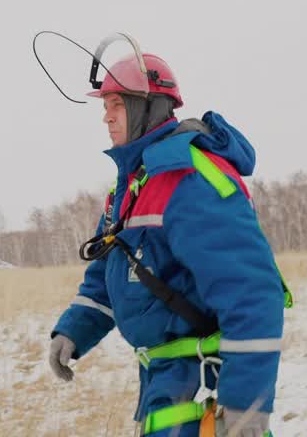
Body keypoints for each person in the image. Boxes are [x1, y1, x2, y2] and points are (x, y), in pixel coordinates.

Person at [47, 51, 290, 437]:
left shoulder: (189, 179)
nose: (106, 116)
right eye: (105, 106)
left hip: (204, 394)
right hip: (164, 387)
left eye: (116, 105)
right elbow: (108, 273)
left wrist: (246, 405)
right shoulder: (129, 189)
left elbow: (251, 293)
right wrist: (74, 330)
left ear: (148, 107)